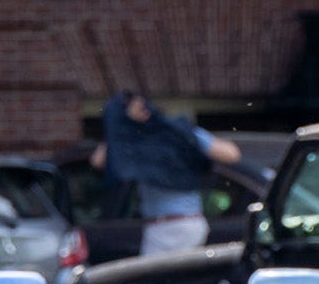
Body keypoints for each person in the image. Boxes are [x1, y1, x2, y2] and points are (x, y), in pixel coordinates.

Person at [96, 91, 242, 259]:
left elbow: (231, 154)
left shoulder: (174, 133)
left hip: (171, 226)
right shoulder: (136, 142)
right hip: (182, 225)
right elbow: (99, 161)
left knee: (151, 282)